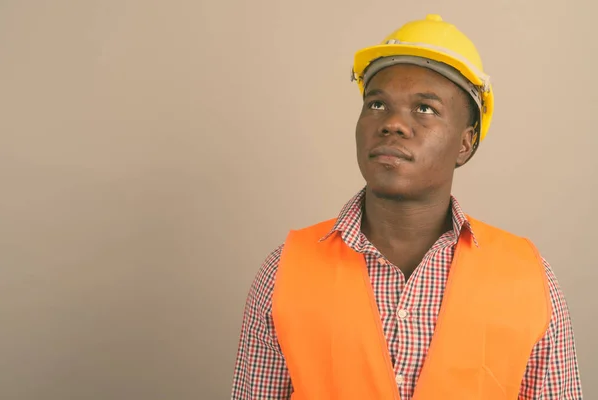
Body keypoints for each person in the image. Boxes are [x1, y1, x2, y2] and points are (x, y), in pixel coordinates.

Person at [231, 14, 583, 399]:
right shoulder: (284, 274)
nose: (393, 123)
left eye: (425, 109)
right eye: (377, 104)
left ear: (465, 144)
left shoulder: (529, 280)